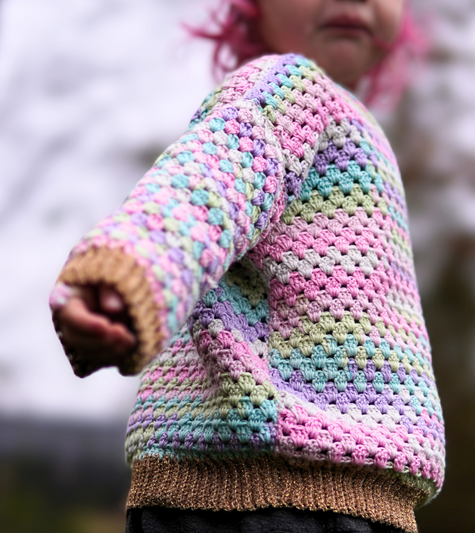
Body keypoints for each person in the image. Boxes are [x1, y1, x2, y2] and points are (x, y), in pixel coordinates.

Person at [50, 1, 444, 532]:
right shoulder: (289, 89)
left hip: (324, 499)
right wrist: (130, 272)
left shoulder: (351, 126)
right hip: (263, 497)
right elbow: (207, 184)